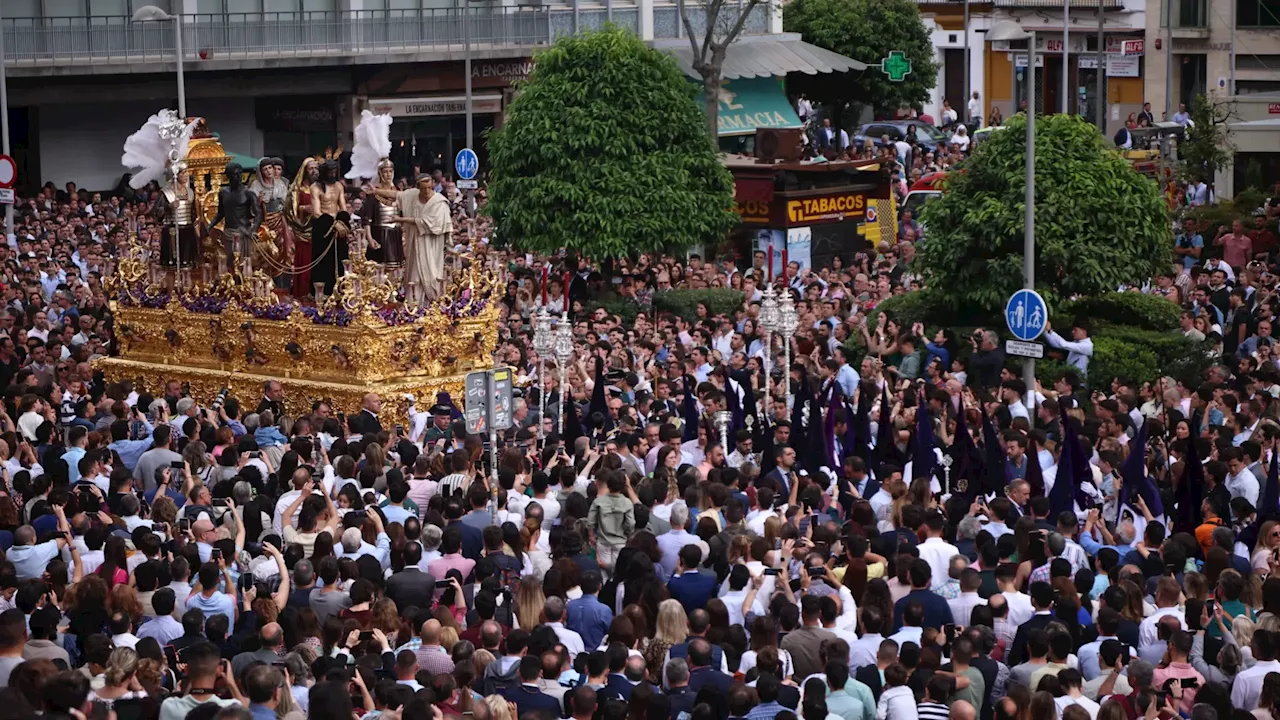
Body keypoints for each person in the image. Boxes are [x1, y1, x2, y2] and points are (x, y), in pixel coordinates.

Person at [395, 174, 453, 304]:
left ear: (432, 184)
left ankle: (433, 303)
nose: (426, 191)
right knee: (415, 277)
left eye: (428, 187)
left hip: (432, 247)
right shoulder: (412, 196)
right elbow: (396, 195)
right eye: (423, 188)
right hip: (416, 244)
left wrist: (401, 219)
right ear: (418, 188)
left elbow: (429, 223)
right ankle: (413, 306)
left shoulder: (439, 202)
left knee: (432, 276)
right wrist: (376, 192)